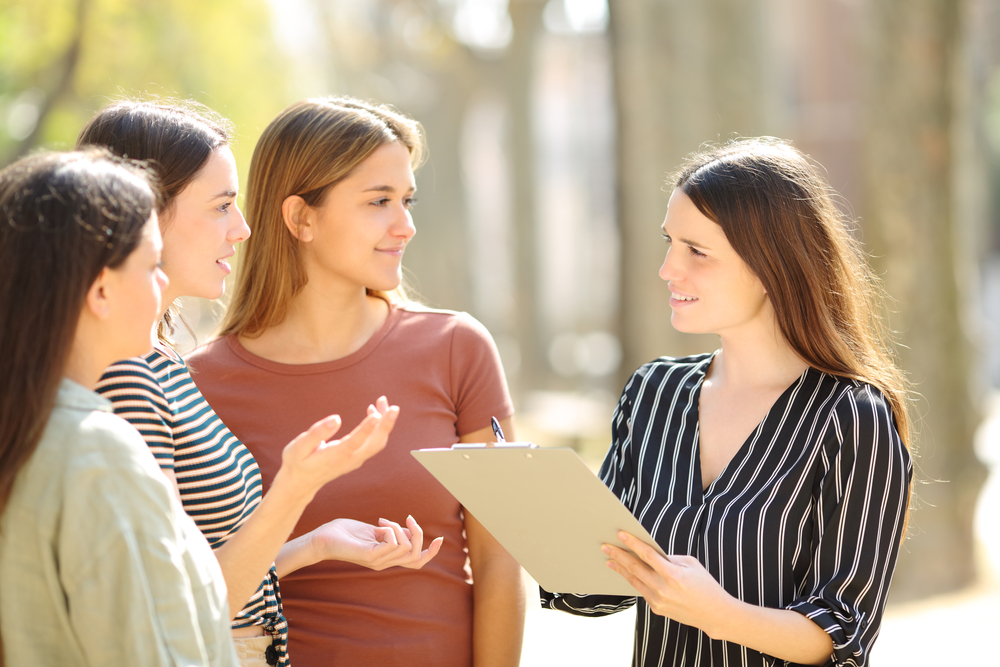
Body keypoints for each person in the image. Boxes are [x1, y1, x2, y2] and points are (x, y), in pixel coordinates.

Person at [77, 100, 440, 667]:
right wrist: (294, 489)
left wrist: (313, 545)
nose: (243, 228)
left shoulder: (163, 361)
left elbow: (203, 574)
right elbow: (174, 604)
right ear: (146, 213)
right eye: (222, 206)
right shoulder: (127, 375)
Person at [541, 138, 913, 667]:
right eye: (670, 243)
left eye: (697, 251)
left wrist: (718, 612)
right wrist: (526, 513)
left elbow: (843, 636)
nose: (669, 269)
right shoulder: (654, 394)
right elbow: (598, 589)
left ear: (769, 266)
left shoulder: (852, 416)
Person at [186, 96, 526, 667]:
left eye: (407, 200)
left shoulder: (457, 349)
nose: (406, 225)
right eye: (379, 201)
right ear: (301, 218)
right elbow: (198, 589)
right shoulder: (199, 382)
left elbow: (500, 561)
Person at [0, 149, 236, 665]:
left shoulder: (30, 432)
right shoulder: (98, 453)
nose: (162, 282)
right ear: (101, 290)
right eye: (153, 264)